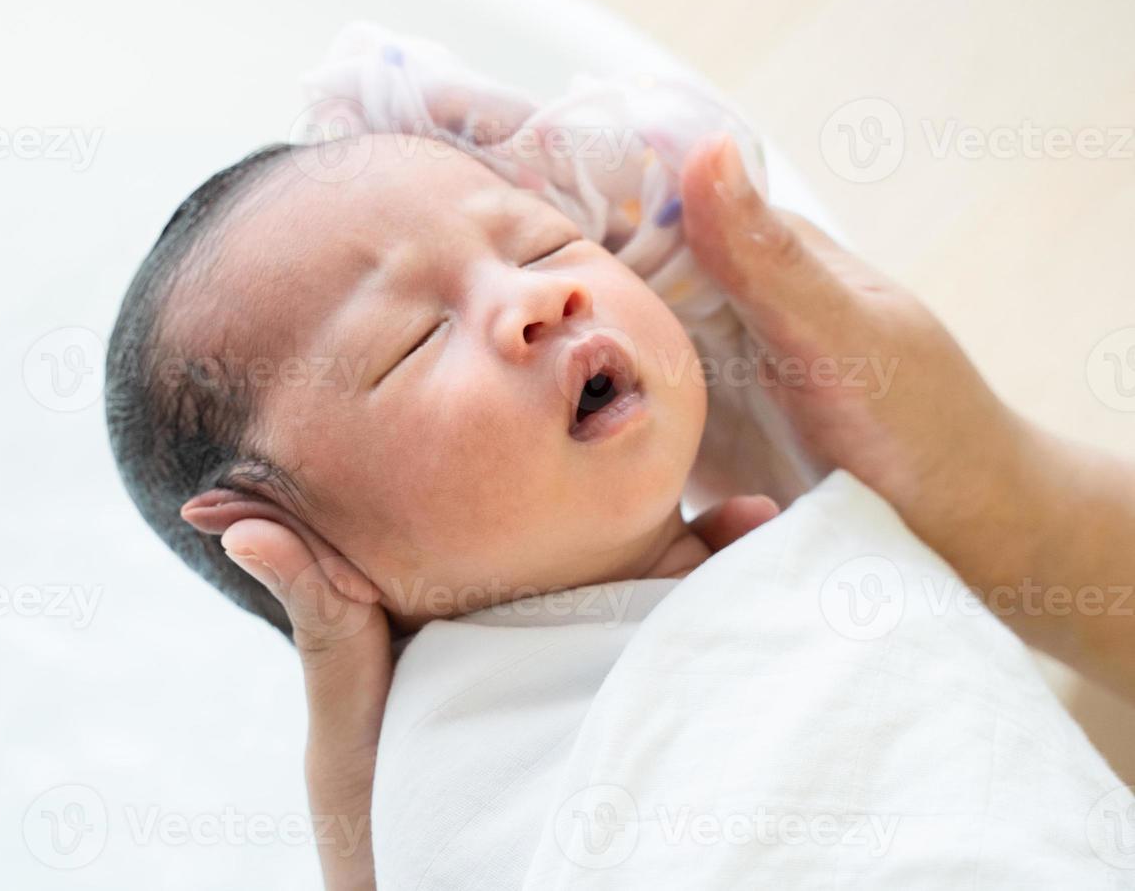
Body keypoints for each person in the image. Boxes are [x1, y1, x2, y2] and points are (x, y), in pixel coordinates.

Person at [236, 135, 1135, 890]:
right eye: (412, 340)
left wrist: (1001, 496)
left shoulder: (787, 571)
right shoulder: (452, 764)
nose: (542, 297)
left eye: (542, 245)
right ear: (302, 549)